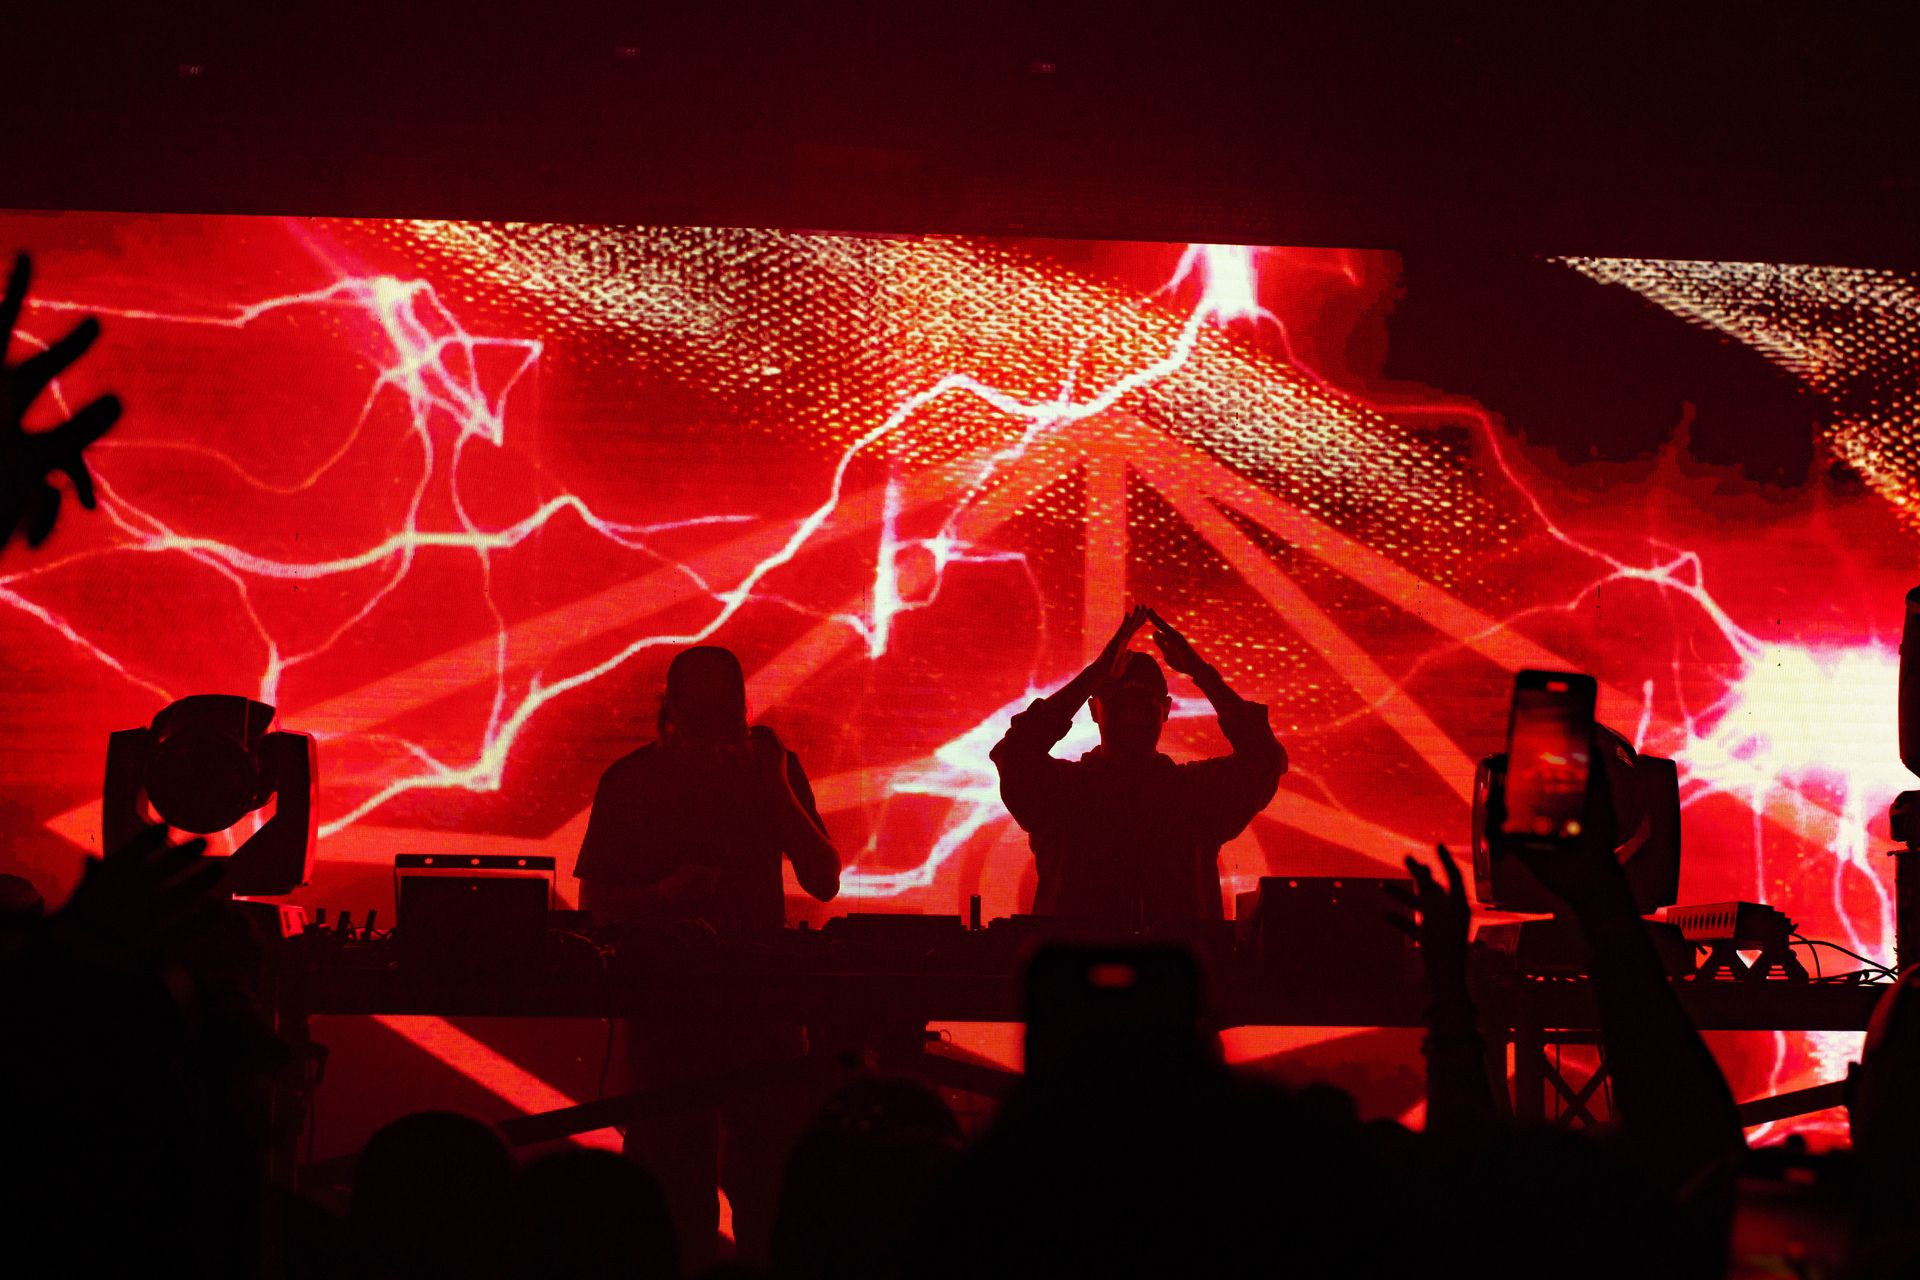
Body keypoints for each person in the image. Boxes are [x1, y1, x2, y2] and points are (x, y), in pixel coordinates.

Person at [573, 644, 840, 1270]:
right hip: (676, 1005)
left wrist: (776, 787)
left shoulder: (767, 769)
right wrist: (666, 895)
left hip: (755, 1005)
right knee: (676, 1184)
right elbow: (600, 906)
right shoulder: (634, 778)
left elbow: (823, 876)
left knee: (764, 1185)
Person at [990, 605, 1285, 929]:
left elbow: (1264, 759)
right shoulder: (1067, 792)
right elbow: (1017, 757)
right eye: (1120, 704)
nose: (1132, 717)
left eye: (1144, 704)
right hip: (1126, 970)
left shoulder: (1191, 794)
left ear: (1166, 710)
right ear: (1095, 709)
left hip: (1145, 970)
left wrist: (1201, 673)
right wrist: (1095, 675)